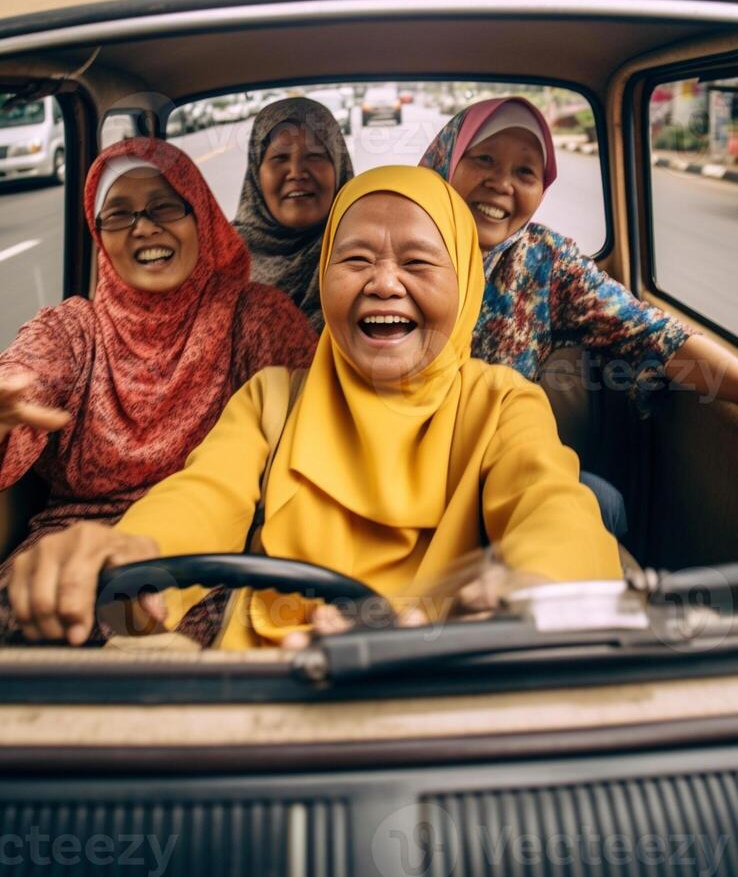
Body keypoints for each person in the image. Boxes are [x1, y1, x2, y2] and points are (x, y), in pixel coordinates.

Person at [7, 165, 621, 649]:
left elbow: (552, 506)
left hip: (446, 667)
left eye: (417, 262)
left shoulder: (502, 403)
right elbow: (203, 497)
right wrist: (132, 552)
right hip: (271, 669)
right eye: (355, 259)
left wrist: (532, 587)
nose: (383, 282)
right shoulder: (273, 397)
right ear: (324, 276)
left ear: (465, 283)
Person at [0, 137, 316, 606]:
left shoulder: (256, 317)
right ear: (100, 235)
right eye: (120, 215)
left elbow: (316, 436)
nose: (143, 228)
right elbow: (27, 373)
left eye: (165, 208)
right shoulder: (73, 330)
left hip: (219, 558)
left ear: (202, 217)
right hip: (68, 558)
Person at [420, 97, 738, 535]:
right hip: (391, 467)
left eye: (525, 172)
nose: (501, 183)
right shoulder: (393, 241)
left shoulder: (545, 262)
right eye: (484, 159)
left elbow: (652, 334)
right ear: (447, 162)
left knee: (603, 503)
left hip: (497, 473)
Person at [233, 97, 354, 333]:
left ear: (338, 167)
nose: (297, 172)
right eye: (280, 158)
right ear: (256, 173)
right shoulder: (222, 259)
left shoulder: (367, 252)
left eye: (315, 156)